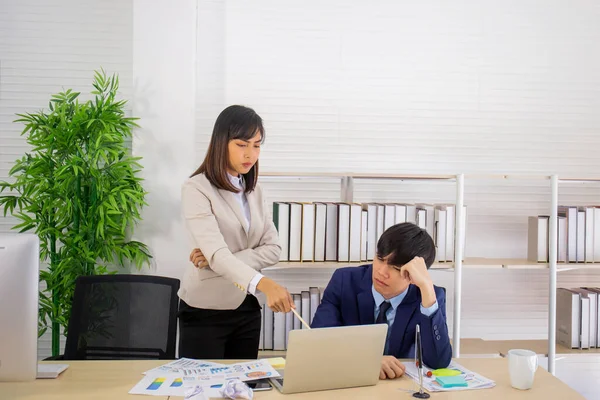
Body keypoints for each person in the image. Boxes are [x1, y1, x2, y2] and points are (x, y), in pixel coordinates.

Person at [178, 105, 293, 360]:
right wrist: (263, 282)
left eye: (257, 145)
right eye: (242, 144)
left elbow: (273, 249)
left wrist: (214, 261)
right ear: (222, 142)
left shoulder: (255, 190)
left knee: (243, 388)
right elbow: (219, 254)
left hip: (246, 308)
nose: (250, 154)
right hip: (205, 310)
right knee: (203, 390)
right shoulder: (196, 189)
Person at [311, 222, 452, 379]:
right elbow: (319, 342)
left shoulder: (429, 296)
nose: (381, 272)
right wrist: (367, 361)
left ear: (414, 275)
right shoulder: (345, 281)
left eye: (396, 268)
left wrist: (427, 288)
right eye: (380, 258)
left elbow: (438, 361)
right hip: (350, 381)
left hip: (398, 386)